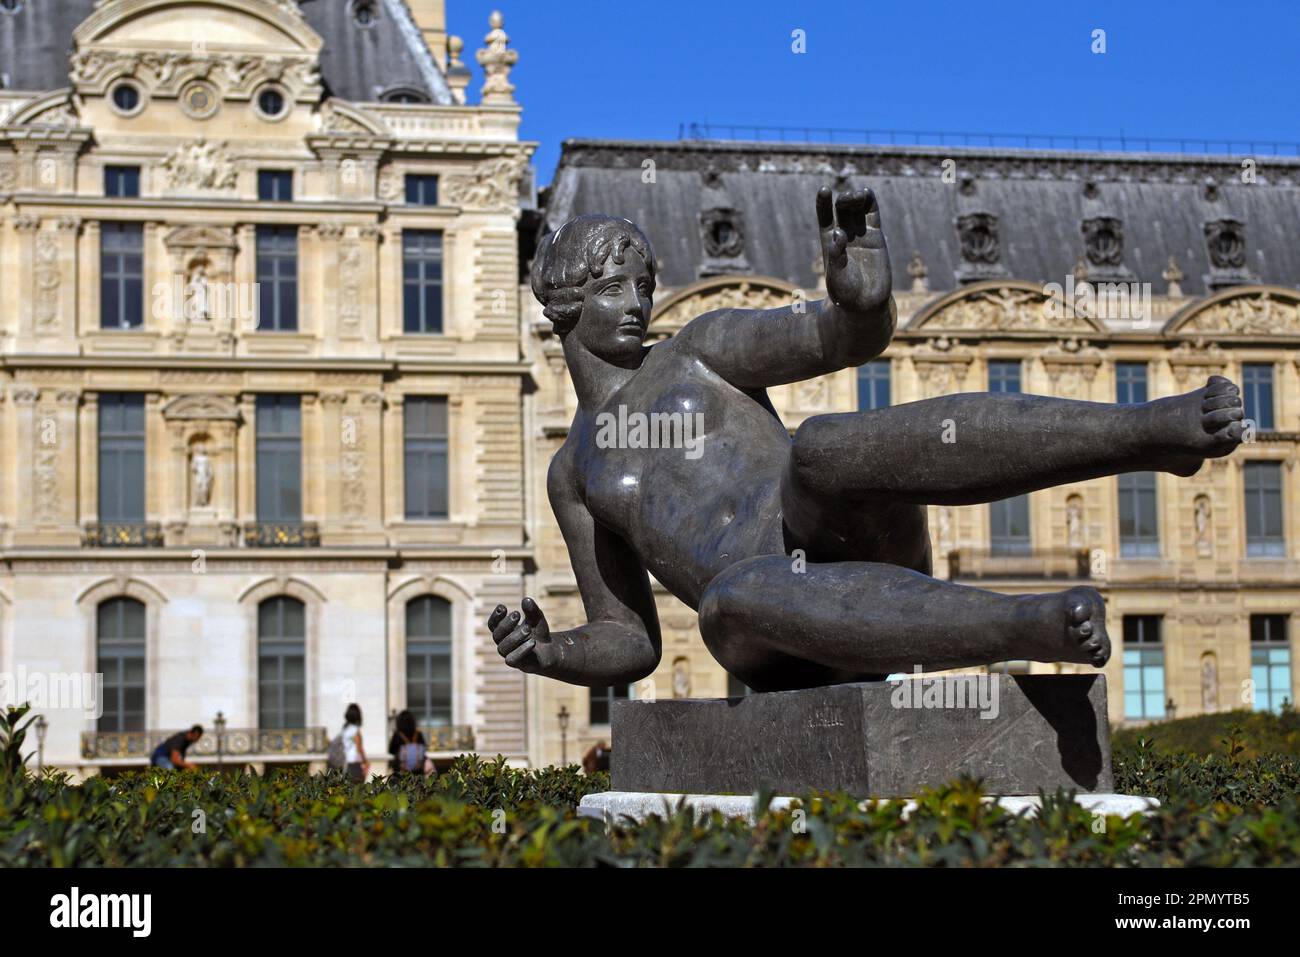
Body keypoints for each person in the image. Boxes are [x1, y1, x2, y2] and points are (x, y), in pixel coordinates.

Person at [488, 190, 1245, 692]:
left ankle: (1150, 431)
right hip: (763, 629)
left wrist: (863, 300)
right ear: (562, 303)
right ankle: (1030, 623)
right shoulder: (573, 473)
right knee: (733, 597)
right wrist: (552, 652)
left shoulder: (699, 347)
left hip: (836, 534)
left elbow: (837, 337)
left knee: (820, 447)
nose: (639, 303)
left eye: (645, 284)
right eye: (614, 288)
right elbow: (630, 636)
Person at [387, 709, 429, 776]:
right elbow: (424, 749)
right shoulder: (418, 733)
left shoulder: (397, 735)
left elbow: (391, 750)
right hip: (417, 771)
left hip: (400, 771)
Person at [340, 704, 369, 783]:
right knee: (358, 790)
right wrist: (365, 762)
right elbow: (359, 748)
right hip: (356, 765)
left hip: (347, 764)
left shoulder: (345, 729)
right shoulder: (355, 730)